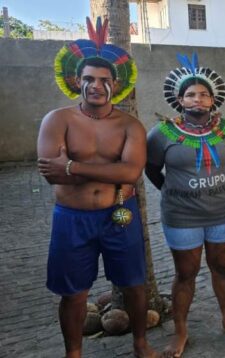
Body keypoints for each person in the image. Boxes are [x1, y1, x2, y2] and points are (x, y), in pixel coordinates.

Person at [36, 17, 157, 358]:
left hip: (119, 214)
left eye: (104, 80)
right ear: (77, 80)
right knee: (74, 293)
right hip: (72, 219)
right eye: (89, 78)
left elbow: (132, 171)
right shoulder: (57, 120)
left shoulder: (130, 124)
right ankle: (73, 353)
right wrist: (109, 170)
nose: (96, 86)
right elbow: (51, 174)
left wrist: (72, 165)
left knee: (134, 285)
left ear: (115, 84)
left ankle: (140, 345)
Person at [145, 53, 225, 357]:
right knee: (185, 273)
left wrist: (223, 189)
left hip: (224, 213)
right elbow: (152, 169)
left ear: (213, 98)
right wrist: (172, 190)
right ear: (179, 98)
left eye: (204, 94)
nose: (198, 99)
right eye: (190, 94)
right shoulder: (162, 133)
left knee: (222, 267)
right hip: (181, 216)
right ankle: (181, 332)